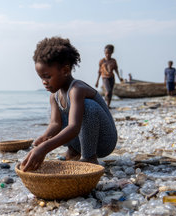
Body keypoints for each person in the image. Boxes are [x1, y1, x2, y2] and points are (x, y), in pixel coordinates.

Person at [21, 37, 117, 171]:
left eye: (47, 77)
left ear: (65, 71)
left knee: (88, 106)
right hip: (81, 141)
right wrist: (43, 140)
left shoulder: (76, 89)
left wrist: (45, 148)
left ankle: (89, 157)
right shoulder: (54, 96)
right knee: (57, 113)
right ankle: (74, 151)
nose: (44, 82)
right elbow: (55, 125)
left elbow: (74, 127)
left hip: (104, 141)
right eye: (41, 78)